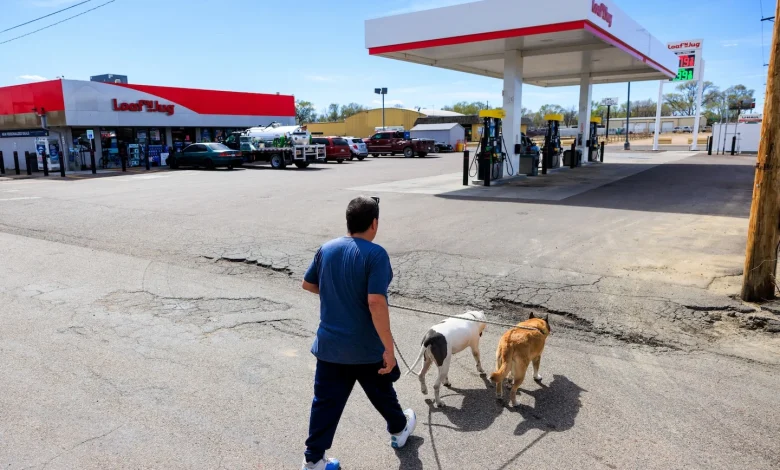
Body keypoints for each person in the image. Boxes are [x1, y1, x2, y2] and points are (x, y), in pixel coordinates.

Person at [301, 196, 416, 470]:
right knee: (381, 390)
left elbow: (308, 284)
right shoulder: (376, 254)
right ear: (374, 223)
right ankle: (399, 429)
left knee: (325, 403)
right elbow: (376, 301)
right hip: (365, 347)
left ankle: (314, 460)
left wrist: (338, 294)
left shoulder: (326, 249)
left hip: (330, 346)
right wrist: (389, 349)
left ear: (349, 221)